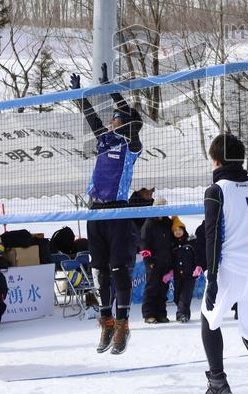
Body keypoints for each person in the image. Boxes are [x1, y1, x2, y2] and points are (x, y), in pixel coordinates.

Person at [71, 64, 143, 355]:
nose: (111, 122)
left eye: (116, 118)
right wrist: (80, 95)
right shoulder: (104, 140)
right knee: (99, 270)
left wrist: (112, 89)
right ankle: (107, 321)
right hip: (95, 211)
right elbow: (90, 118)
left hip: (117, 212)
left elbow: (133, 120)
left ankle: (124, 323)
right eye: (112, 119)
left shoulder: (131, 144)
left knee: (118, 269)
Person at [200, 133, 248, 394]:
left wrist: (211, 278)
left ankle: (218, 383)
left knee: (208, 321)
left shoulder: (216, 190)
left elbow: (212, 237)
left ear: (217, 161)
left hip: (229, 271)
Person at [140, 214, 175, 323]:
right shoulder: (149, 224)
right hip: (153, 263)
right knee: (152, 288)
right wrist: (148, 261)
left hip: (166, 262)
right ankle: (148, 314)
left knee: (163, 289)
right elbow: (144, 243)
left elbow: (176, 236)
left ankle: (161, 314)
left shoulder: (168, 223)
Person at [171, 217, 202, 323]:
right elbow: (171, 260)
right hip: (177, 276)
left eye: (179, 230)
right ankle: (185, 313)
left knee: (185, 295)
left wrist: (198, 266)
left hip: (189, 275)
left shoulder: (191, 243)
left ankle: (181, 315)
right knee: (177, 297)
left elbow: (197, 255)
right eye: (175, 231)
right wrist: (169, 271)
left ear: (183, 230)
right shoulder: (173, 245)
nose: (178, 232)